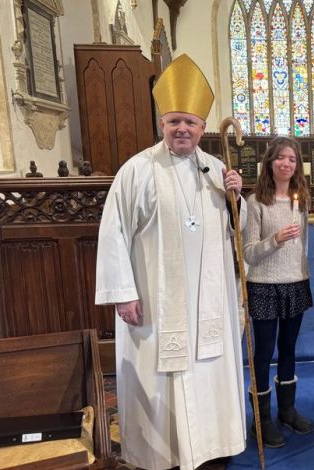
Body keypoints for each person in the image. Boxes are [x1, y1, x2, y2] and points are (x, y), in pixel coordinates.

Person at [95, 54, 247, 470]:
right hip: (155, 304)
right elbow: (113, 233)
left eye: (190, 122)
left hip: (208, 304)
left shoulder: (216, 169)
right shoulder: (136, 170)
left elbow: (236, 229)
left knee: (209, 369)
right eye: (174, 121)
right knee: (159, 375)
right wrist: (123, 293)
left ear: (202, 127)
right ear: (161, 123)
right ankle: (161, 456)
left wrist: (236, 198)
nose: (182, 128)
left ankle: (212, 447)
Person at [243, 136, 313, 448]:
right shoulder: (256, 202)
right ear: (269, 162)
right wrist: (276, 240)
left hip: (295, 282)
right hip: (264, 285)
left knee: (288, 348)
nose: (286, 163)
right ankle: (261, 420)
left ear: (297, 166)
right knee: (263, 352)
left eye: (292, 159)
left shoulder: (301, 200)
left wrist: (303, 273)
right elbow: (248, 253)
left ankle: (287, 410)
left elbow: (304, 247)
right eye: (280, 158)